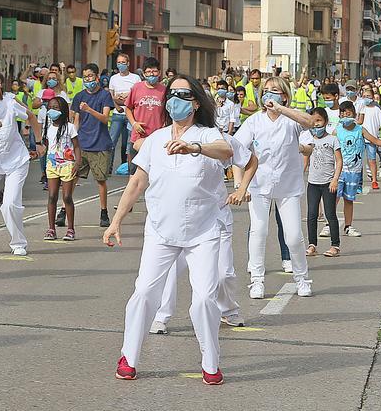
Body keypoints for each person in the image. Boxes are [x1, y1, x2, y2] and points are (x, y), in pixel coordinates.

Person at [105, 75, 233, 384]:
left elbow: (225, 152)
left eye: (184, 94)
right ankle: (129, 357)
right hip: (161, 232)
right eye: (172, 94)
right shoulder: (155, 139)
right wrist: (116, 221)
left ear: (196, 102)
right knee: (145, 292)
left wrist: (194, 148)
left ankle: (210, 361)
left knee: (203, 299)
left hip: (202, 233)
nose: (176, 100)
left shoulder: (208, 134)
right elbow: (137, 181)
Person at [149, 124, 259, 334]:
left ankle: (228, 310)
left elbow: (251, 160)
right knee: (170, 270)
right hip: (178, 221)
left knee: (222, 274)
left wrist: (242, 189)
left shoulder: (222, 140)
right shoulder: (169, 137)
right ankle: (161, 316)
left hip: (213, 220)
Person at [234, 76, 315, 299]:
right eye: (266, 90)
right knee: (258, 231)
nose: (269, 93)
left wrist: (281, 109)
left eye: (275, 91)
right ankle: (257, 281)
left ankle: (302, 278)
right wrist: (240, 184)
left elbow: (309, 126)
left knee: (293, 236)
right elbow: (237, 150)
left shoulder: (292, 120)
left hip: (288, 186)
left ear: (285, 96)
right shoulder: (254, 121)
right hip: (259, 185)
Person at [0, 73, 42, 256]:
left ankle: (18, 242)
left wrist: (40, 142)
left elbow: (31, 118)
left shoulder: (10, 104)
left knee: (10, 203)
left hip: (15, 160)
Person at [334, 101, 381, 239]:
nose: (345, 116)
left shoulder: (360, 130)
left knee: (349, 200)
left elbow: (375, 141)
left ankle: (348, 226)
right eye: (342, 113)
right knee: (334, 198)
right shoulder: (337, 130)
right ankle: (329, 225)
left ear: (354, 115)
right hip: (339, 171)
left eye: (348, 113)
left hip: (354, 172)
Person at [68, 63, 114, 228]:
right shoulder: (79, 96)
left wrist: (89, 109)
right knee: (72, 177)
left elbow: (105, 118)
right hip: (82, 144)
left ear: (97, 77)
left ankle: (104, 212)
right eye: (85, 76)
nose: (88, 79)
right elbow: (76, 120)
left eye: (91, 76)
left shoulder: (104, 96)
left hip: (100, 144)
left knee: (100, 180)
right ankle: (65, 207)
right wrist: (72, 140)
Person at [300, 108, 342, 258]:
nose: (316, 124)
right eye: (313, 121)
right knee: (312, 214)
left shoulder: (332, 139)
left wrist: (335, 179)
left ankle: (335, 245)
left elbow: (339, 161)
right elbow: (305, 161)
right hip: (313, 183)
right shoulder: (308, 141)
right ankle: (312, 245)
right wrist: (299, 176)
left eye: (319, 121)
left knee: (330, 214)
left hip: (328, 183)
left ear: (325, 122)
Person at [42, 96, 79, 241]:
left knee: (67, 197)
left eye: (56, 108)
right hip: (52, 165)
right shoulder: (48, 127)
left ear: (63, 110)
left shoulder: (69, 127)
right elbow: (47, 146)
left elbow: (76, 145)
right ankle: (51, 229)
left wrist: (77, 162)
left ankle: (70, 229)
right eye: (50, 107)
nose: (52, 110)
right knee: (52, 196)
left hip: (67, 164)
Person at [125, 57, 168, 174]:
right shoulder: (136, 88)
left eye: (154, 71)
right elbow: (128, 108)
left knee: (155, 172)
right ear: (144, 73)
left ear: (159, 72)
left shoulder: (164, 91)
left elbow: (169, 112)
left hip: (157, 138)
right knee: (134, 173)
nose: (151, 74)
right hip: (138, 137)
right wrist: (134, 124)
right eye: (148, 72)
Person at [107, 53, 141, 173]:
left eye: (123, 62)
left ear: (128, 64)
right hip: (117, 114)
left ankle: (130, 168)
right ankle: (108, 168)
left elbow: (137, 94)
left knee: (129, 143)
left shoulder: (135, 78)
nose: (121, 65)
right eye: (119, 62)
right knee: (111, 141)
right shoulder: (113, 78)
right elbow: (111, 95)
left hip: (131, 115)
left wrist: (126, 96)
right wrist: (117, 104)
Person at [358, 85, 381, 190]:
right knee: (359, 161)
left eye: (368, 96)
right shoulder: (361, 107)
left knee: (372, 160)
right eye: (364, 96)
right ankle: (359, 182)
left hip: (372, 139)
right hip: (359, 138)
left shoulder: (376, 109)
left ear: (372, 97)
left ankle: (374, 180)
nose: (366, 98)